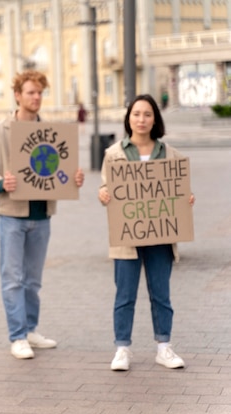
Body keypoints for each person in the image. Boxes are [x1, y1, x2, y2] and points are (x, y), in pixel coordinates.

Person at [0, 70, 85, 360]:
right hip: (11, 215)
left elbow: (59, 171)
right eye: (30, 92)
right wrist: (1, 183)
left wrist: (73, 177)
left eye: (39, 93)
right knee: (12, 277)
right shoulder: (0, 130)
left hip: (42, 215)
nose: (36, 97)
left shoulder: (51, 132)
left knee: (33, 279)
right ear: (17, 95)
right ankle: (17, 336)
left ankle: (31, 329)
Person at [98, 94, 195, 371]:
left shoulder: (170, 154)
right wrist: (103, 194)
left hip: (160, 237)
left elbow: (179, 192)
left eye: (147, 114)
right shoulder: (113, 154)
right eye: (136, 114)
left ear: (155, 119)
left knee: (161, 294)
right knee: (124, 295)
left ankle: (164, 347)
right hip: (127, 236)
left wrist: (186, 201)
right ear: (128, 118)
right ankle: (122, 348)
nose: (141, 119)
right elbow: (106, 187)